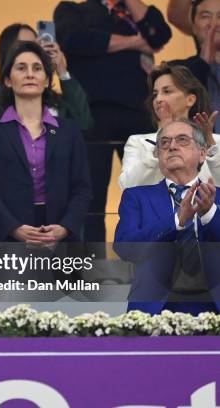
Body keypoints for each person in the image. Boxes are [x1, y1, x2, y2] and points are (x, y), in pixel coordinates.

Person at [54, 0, 172, 244]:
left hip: (139, 113)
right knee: (91, 195)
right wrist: (136, 42)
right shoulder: (72, 10)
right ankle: (90, 264)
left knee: (147, 191)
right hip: (92, 113)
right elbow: (76, 39)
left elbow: (160, 34)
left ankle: (149, 262)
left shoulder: (138, 13)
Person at [0, 41, 92, 244]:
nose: (30, 74)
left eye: (37, 68)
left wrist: (65, 227)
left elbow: (82, 187)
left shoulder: (69, 130)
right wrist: (13, 228)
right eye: (21, 68)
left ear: (47, 80)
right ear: (7, 80)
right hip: (7, 239)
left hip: (60, 239)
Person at [114, 119, 220, 315]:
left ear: (202, 153)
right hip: (154, 308)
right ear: (158, 156)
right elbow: (125, 248)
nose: (172, 146)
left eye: (182, 140)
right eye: (164, 143)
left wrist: (209, 214)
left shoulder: (216, 196)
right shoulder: (136, 197)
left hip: (213, 304)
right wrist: (177, 221)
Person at [120, 63, 220, 190]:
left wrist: (209, 143)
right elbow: (127, 186)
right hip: (157, 209)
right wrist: (159, 144)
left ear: (190, 100)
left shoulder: (215, 143)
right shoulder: (138, 142)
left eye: (167, 91)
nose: (158, 99)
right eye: (155, 94)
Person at [0, 23, 93, 132]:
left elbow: (83, 124)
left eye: (35, 45)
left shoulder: (52, 98)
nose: (32, 50)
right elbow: (11, 119)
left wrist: (62, 73)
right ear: (8, 51)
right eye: (24, 45)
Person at [171, 0, 220, 132]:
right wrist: (203, 63)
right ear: (192, 26)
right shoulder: (176, 70)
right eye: (205, 16)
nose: (214, 23)